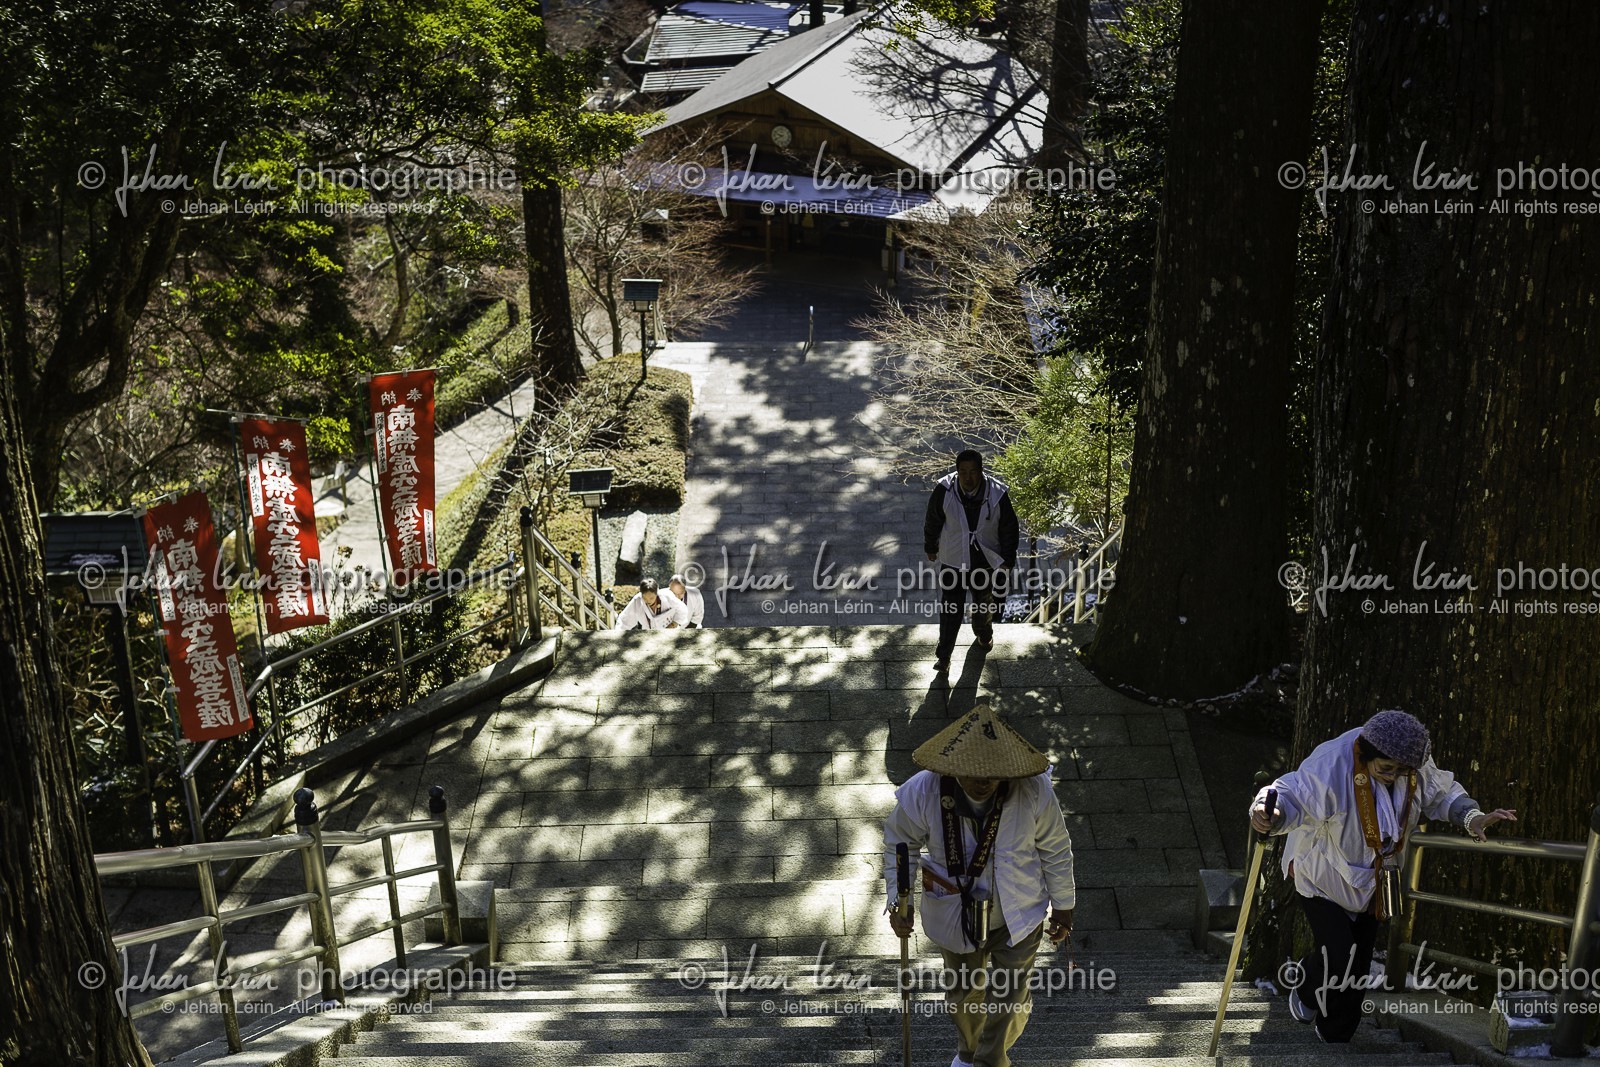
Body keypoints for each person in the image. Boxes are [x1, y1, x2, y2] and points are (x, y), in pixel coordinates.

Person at [1250, 709, 1517, 1042]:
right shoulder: (1332, 764)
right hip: (1322, 875)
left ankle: (1335, 1034)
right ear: (1365, 753)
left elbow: (1441, 792)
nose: (1393, 776)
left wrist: (1471, 817)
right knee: (1339, 955)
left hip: (1377, 878)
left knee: (1358, 966)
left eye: (1401, 770)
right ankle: (1306, 987)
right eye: (1385, 769)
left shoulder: (1413, 762)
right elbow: (1292, 792)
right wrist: (1270, 812)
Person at [884, 702, 1075, 1067]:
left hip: (1018, 911)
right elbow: (899, 843)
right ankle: (971, 1054)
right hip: (955, 911)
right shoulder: (923, 790)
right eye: (974, 774)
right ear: (955, 768)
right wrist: (899, 900)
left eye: (994, 773)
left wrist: (1064, 904)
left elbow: (1055, 846)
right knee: (963, 995)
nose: (985, 781)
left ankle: (990, 1061)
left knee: (1011, 998)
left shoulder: (1034, 789)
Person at [924, 449, 1019, 673]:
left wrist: (1008, 558)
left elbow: (1009, 528)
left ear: (981, 472)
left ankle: (984, 635)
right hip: (953, 560)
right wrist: (931, 546)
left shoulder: (997, 493)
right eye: (963, 472)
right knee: (950, 609)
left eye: (973, 472)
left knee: (983, 604)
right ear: (957, 472)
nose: (968, 478)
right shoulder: (944, 489)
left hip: (984, 560)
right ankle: (944, 656)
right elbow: (933, 520)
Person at [615, 577, 688, 630]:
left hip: (671, 632)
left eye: (651, 598)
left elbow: (682, 609)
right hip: (649, 635)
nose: (648, 601)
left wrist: (674, 624)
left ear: (656, 593)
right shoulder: (637, 601)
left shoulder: (667, 596)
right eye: (645, 598)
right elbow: (624, 620)